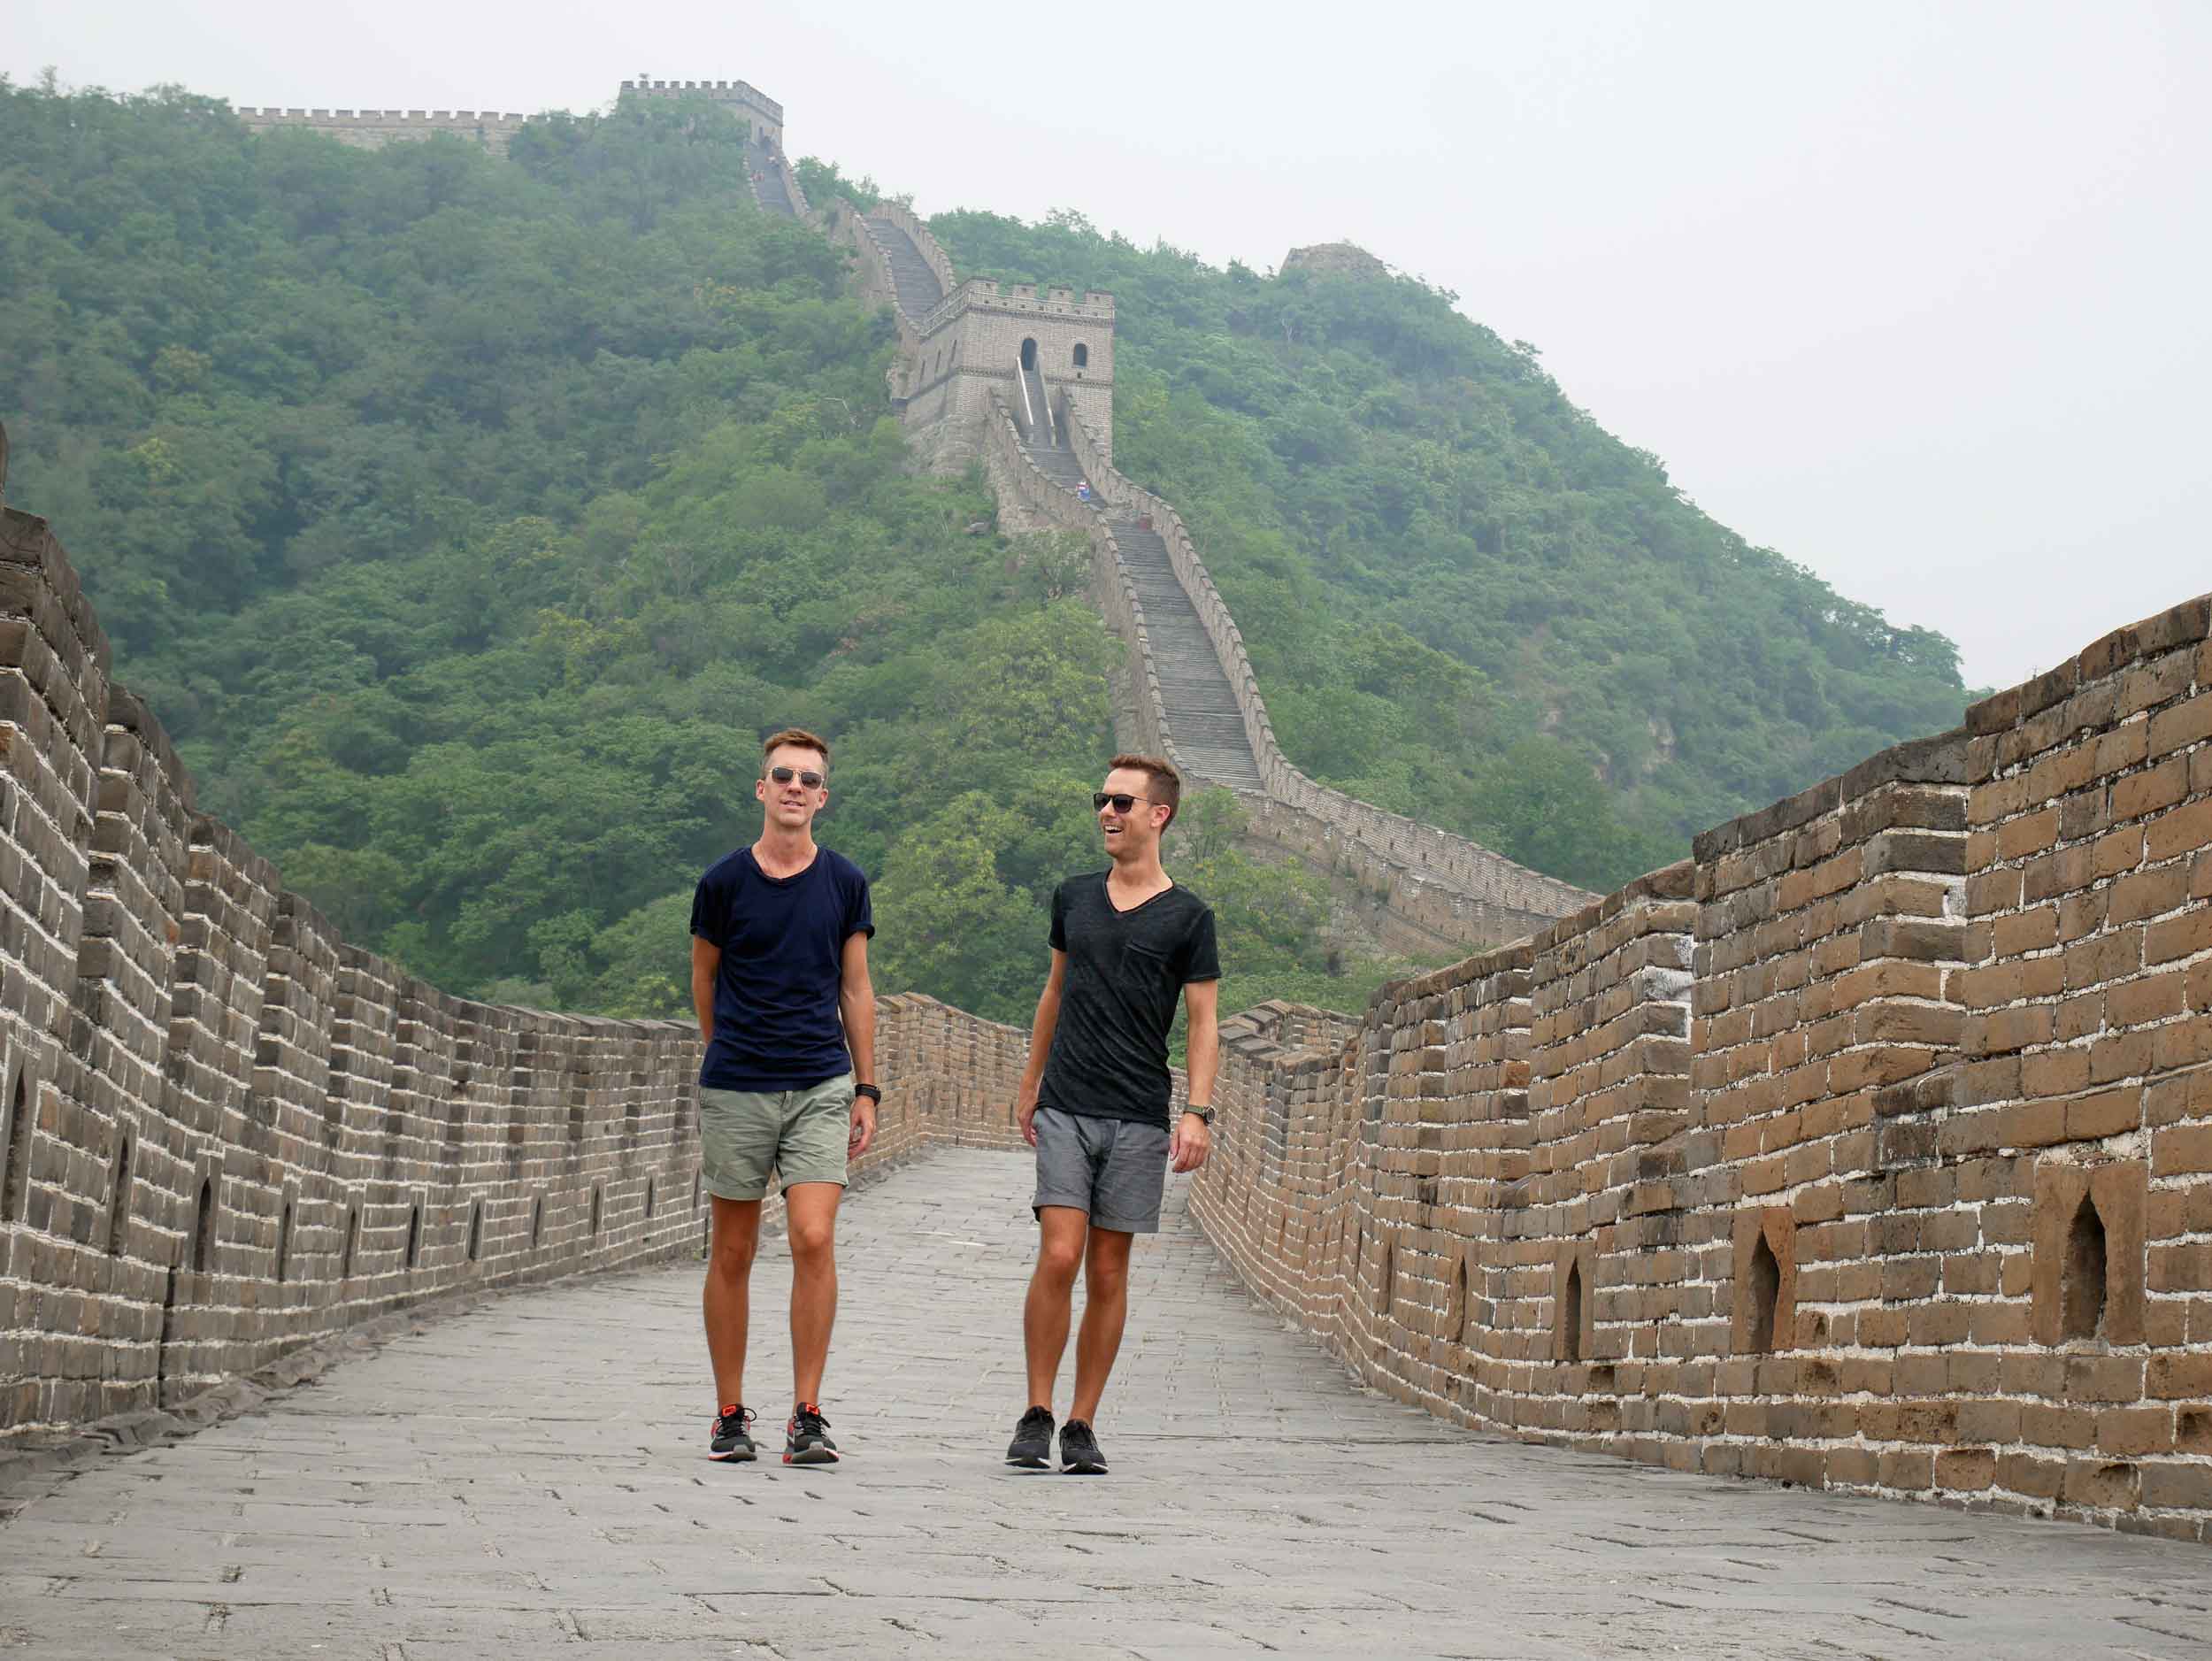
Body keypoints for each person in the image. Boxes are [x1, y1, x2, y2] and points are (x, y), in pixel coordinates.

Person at [1005, 754, 1219, 1475]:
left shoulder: (1189, 916)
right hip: (1067, 1100)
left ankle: (1081, 1421)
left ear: (1159, 814)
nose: (1107, 811)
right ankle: (1036, 1410)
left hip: (1138, 1113)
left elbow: (1203, 1022)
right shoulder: (1073, 897)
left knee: (1108, 1269)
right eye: (1103, 798)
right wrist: (1031, 1080)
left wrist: (1197, 1111)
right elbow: (1054, 991)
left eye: (1122, 802)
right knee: (1060, 1252)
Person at [691, 728, 879, 1466]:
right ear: (762, 790)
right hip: (738, 1081)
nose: (795, 787)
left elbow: (856, 988)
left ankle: (807, 1410)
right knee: (733, 1248)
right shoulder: (723, 883)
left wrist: (867, 1085)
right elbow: (704, 979)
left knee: (812, 1236)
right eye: (783, 776)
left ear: (822, 797)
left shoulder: (844, 882)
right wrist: (721, 1048)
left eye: (808, 779)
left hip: (820, 1080)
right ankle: (730, 1412)